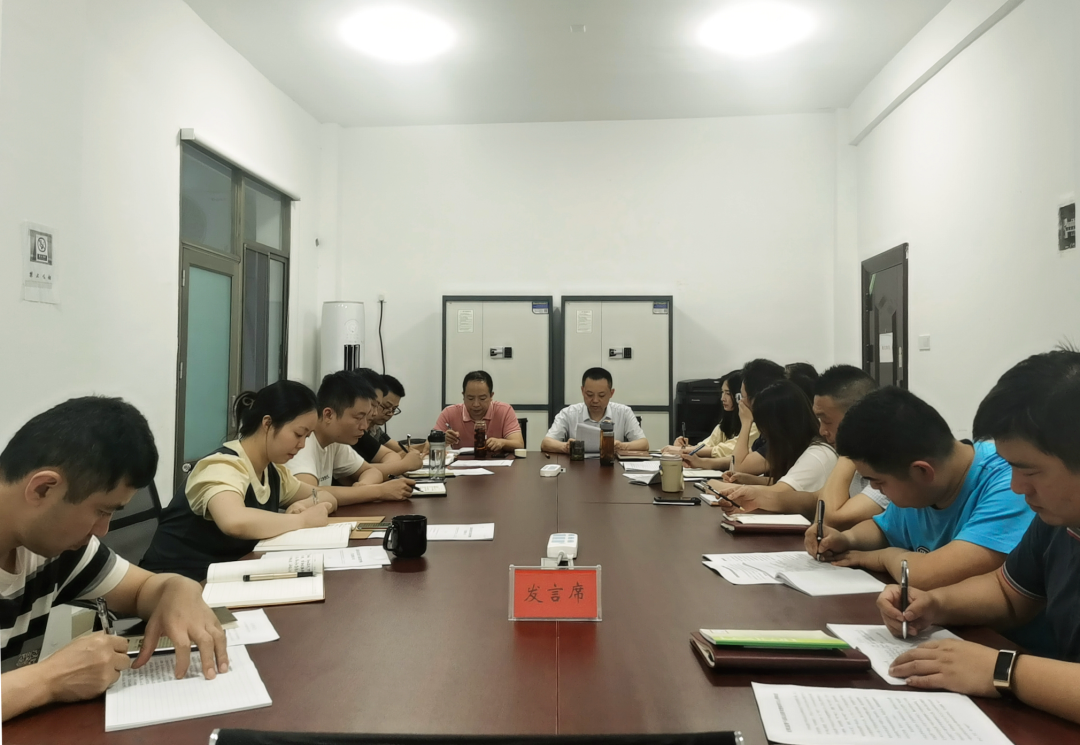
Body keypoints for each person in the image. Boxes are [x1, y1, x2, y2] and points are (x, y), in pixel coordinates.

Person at [877, 351, 1080, 722]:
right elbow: (1008, 592)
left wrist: (1003, 671)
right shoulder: (1058, 521)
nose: (1017, 487)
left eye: (1029, 471)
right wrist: (935, 604)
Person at [2, 397, 228, 722]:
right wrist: (48, 680)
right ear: (43, 489)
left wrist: (178, 590)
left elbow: (143, 588)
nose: (103, 530)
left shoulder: (54, 548)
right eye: (102, 511)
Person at [805, 386, 1035, 590]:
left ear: (922, 471)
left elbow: (927, 576)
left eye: (879, 482)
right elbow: (884, 529)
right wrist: (846, 539)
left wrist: (880, 558)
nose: (875, 489)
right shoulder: (923, 488)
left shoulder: (1010, 485)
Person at [141, 381, 339, 581]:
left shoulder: (273, 473)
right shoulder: (222, 466)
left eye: (307, 437)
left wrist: (304, 505)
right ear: (267, 424)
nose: (302, 444)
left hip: (222, 578)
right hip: (175, 582)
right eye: (298, 434)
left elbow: (325, 495)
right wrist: (301, 521)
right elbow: (234, 521)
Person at [710, 380, 838, 515]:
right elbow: (786, 482)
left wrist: (715, 484)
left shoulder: (818, 454)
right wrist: (750, 479)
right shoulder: (801, 446)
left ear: (777, 427)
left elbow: (777, 494)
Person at [287, 372, 414, 505]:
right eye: (359, 418)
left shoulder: (334, 440)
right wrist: (378, 491)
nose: (364, 426)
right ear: (328, 415)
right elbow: (310, 494)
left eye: (366, 418)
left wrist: (363, 487)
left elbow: (371, 471)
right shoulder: (301, 443)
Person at [811, 365, 891, 530]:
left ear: (856, 416)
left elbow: (829, 519)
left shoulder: (889, 464)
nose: (822, 431)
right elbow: (821, 499)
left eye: (826, 421)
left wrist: (847, 449)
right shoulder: (858, 456)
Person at [541, 368, 648, 454]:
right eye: (589, 395)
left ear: (611, 393)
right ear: (582, 391)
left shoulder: (624, 412)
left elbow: (644, 444)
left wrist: (622, 446)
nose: (595, 400)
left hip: (612, 467)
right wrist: (565, 447)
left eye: (601, 395)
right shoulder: (568, 413)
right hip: (577, 468)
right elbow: (546, 443)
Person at [668, 370, 760, 469]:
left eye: (728, 393)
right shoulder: (728, 419)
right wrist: (685, 447)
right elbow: (708, 444)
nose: (722, 398)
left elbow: (727, 450)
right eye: (722, 392)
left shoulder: (756, 425)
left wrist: (685, 450)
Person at [349, 370, 423, 478]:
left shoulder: (369, 429)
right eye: (385, 406)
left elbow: (390, 455)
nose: (390, 413)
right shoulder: (348, 433)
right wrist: (404, 464)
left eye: (394, 409)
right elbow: (355, 475)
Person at [434, 371, 524, 453]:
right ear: (463, 396)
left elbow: (519, 444)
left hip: (496, 463)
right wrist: (441, 440)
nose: (476, 404)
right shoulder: (450, 413)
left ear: (491, 396)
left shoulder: (504, 411)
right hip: (461, 464)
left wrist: (502, 442)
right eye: (470, 398)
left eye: (482, 398)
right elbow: (429, 446)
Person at [731, 358, 785, 474]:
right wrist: (703, 462)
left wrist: (746, 423)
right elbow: (739, 461)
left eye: (743, 397)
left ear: (756, 398)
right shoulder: (767, 430)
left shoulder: (782, 432)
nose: (740, 402)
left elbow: (738, 467)